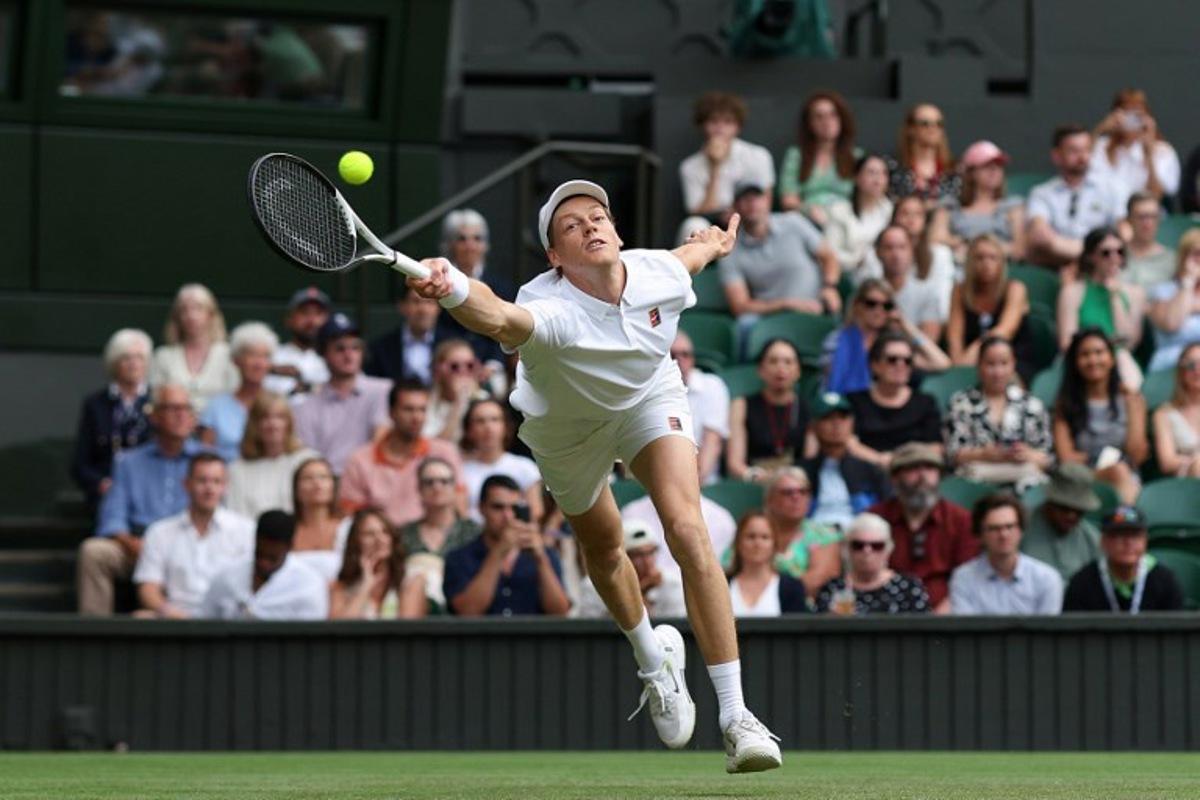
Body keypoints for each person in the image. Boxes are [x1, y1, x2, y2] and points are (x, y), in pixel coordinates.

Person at [409, 178, 782, 769]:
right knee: (605, 549)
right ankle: (654, 660)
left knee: (688, 530)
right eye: (571, 225)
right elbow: (500, 318)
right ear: (556, 257)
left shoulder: (659, 273)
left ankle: (737, 718)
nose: (590, 226)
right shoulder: (552, 308)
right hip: (567, 428)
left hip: (646, 400)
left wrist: (713, 241)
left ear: (615, 230)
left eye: (598, 216)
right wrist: (453, 285)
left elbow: (693, 256)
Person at [77, 384, 201, 615]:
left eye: (186, 409)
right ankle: (93, 635)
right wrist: (134, 544)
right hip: (138, 546)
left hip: (191, 549)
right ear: (154, 416)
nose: (180, 415)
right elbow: (113, 517)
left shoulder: (206, 460)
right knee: (93, 552)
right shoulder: (128, 462)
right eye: (172, 408)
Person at [132, 453, 254, 618]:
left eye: (216, 481)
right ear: (187, 484)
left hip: (228, 622)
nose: (209, 488)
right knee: (141, 617)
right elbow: (148, 587)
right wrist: (170, 612)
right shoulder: (159, 532)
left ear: (225, 487)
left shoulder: (246, 530)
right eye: (202, 480)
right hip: (174, 620)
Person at [868, 442, 978, 612]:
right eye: (913, 469)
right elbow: (865, 574)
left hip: (947, 616)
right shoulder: (875, 518)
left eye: (930, 469)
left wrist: (939, 618)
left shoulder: (960, 519)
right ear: (895, 477)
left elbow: (968, 577)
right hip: (886, 615)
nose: (922, 476)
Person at [442, 475, 570, 617]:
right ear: (481, 508)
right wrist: (498, 553)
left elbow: (560, 612)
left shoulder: (544, 554)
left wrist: (541, 560)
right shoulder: (459, 557)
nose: (508, 516)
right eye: (498, 507)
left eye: (514, 508)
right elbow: (467, 612)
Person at [340, 380, 464, 527]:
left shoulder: (444, 452)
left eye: (422, 410)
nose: (417, 417)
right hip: (384, 543)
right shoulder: (360, 460)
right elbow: (352, 518)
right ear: (391, 412)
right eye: (408, 409)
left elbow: (460, 507)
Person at [717, 181, 842, 326]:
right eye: (745, 199)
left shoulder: (794, 222)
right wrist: (787, 304)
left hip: (817, 307)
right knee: (745, 324)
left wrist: (830, 287)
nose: (752, 203)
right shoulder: (730, 251)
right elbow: (740, 306)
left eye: (757, 197)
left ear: (767, 200)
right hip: (771, 319)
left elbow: (829, 256)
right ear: (736, 207)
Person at [1053, 328, 1148, 505]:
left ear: (1111, 358)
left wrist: (1134, 409)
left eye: (1099, 352)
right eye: (1085, 354)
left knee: (1120, 471)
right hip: (1084, 478)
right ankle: (1130, 522)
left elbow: (1137, 455)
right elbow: (1066, 459)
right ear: (1075, 362)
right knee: (1118, 471)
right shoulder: (1065, 405)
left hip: (1127, 476)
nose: (1093, 360)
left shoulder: (1131, 400)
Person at [944, 337, 1052, 488]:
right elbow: (952, 455)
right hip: (974, 480)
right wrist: (984, 454)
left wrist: (1026, 454)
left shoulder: (1032, 405)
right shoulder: (961, 403)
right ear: (979, 365)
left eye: (1004, 363)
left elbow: (1046, 458)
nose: (998, 372)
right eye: (990, 364)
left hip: (1022, 478)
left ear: (1013, 365)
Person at [293, 312, 392, 475]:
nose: (349, 355)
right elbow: (307, 460)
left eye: (355, 348)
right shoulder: (306, 406)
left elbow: (383, 444)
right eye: (340, 349)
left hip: (373, 478)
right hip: (327, 483)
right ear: (323, 354)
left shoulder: (384, 390)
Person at [721, 468, 840, 597]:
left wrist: (767, 595)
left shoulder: (823, 534)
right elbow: (728, 571)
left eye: (803, 492)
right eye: (787, 492)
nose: (796, 497)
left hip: (802, 612)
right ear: (769, 499)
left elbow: (818, 579)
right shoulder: (753, 531)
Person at [71, 328, 154, 512]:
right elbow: (80, 463)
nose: (133, 364)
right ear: (114, 362)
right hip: (107, 497)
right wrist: (100, 483)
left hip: (149, 497)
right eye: (126, 358)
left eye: (139, 357)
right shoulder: (96, 404)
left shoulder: (157, 401)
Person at [823, 279, 949, 395]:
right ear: (857, 305)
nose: (878, 311)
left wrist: (906, 325)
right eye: (871, 304)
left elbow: (941, 363)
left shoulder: (893, 345)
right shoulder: (837, 340)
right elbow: (831, 380)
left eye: (886, 306)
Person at [1056, 227, 1146, 387]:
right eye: (1106, 253)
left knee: (1126, 369)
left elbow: (1129, 341)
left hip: (1119, 357)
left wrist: (1115, 297)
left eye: (1119, 252)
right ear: (1091, 256)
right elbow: (1066, 342)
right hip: (1084, 357)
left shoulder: (1135, 293)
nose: (1114, 258)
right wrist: (1096, 352)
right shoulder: (1072, 292)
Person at [200, 510, 330, 620]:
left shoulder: (309, 586)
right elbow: (204, 621)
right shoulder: (226, 577)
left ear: (289, 547)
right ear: (255, 540)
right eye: (260, 555)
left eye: (272, 558)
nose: (264, 563)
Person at [678, 91, 774, 239]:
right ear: (702, 125)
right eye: (714, 121)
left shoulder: (758, 155)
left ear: (738, 127)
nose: (720, 128)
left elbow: (765, 201)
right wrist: (715, 167)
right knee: (693, 225)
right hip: (712, 227)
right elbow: (698, 212)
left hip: (748, 221)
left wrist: (738, 213)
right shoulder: (690, 166)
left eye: (728, 122)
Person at [1026, 124, 1122, 270]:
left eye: (1086, 150)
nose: (1082, 157)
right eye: (1074, 151)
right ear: (1056, 156)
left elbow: (1123, 231)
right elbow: (1041, 236)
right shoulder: (1041, 193)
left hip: (1102, 271)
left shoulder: (1110, 189)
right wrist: (1095, 253)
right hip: (1057, 269)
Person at [948, 494, 1062, 615]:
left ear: (1020, 531)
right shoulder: (963, 578)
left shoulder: (1046, 579)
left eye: (1010, 526)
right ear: (980, 534)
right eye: (994, 528)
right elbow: (965, 631)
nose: (1003, 535)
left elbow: (1047, 631)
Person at [396, 457, 482, 612]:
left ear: (455, 488)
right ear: (419, 489)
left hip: (462, 608)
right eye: (429, 482)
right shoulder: (404, 533)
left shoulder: (474, 531)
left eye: (444, 481)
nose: (437, 487)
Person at [946, 235, 1035, 383]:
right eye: (980, 258)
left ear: (1002, 262)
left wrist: (970, 357)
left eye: (993, 258)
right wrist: (958, 367)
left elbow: (1005, 330)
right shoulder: (959, 291)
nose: (986, 263)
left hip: (1013, 363)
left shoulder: (1015, 289)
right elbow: (954, 338)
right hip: (972, 365)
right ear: (970, 262)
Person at [846, 332, 943, 467]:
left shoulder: (925, 402)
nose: (900, 365)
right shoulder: (855, 400)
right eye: (892, 359)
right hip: (867, 470)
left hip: (913, 470)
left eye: (907, 361)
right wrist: (880, 460)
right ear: (875, 365)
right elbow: (849, 442)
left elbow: (936, 447)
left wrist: (904, 463)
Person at [1062, 506, 1184, 613]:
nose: (1128, 542)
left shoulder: (1165, 580)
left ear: (1145, 541)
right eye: (1118, 535)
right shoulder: (1083, 582)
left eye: (1135, 535)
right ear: (1103, 541)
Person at [800, 391, 889, 531]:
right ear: (814, 426)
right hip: (811, 538)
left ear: (851, 423)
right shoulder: (802, 472)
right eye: (827, 418)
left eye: (842, 417)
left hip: (861, 540)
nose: (836, 424)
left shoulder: (871, 471)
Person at [726, 338, 809, 482]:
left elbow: (809, 461)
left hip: (794, 486)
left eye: (788, 362)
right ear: (760, 369)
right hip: (753, 482)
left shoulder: (806, 408)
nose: (781, 368)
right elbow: (735, 464)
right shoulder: (741, 405)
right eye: (773, 361)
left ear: (798, 371)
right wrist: (756, 477)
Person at [225, 392, 317, 521]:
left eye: (280, 417)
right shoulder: (236, 470)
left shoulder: (307, 462)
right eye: (265, 418)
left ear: (289, 423)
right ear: (254, 425)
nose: (273, 424)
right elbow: (236, 517)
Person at [814, 512, 930, 614]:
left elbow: (924, 632)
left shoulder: (909, 588)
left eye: (877, 546)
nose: (867, 551)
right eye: (858, 545)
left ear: (888, 549)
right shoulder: (833, 588)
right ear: (847, 549)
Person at [932, 140, 1027, 263]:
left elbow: (1019, 249)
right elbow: (935, 239)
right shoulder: (949, 205)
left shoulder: (1013, 206)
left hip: (1001, 272)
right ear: (971, 173)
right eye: (987, 166)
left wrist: (975, 251)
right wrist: (958, 243)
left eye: (999, 166)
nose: (994, 171)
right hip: (958, 270)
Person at [149, 283, 238, 413]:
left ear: (211, 314)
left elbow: (235, 398)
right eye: (184, 310)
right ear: (177, 317)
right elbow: (155, 398)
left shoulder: (229, 355)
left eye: (198, 308)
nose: (191, 315)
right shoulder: (163, 356)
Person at [776, 90, 859, 226]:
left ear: (842, 120)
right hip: (805, 223)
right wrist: (808, 210)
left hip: (847, 223)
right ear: (809, 123)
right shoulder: (796, 156)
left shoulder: (856, 157)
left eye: (833, 115)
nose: (827, 122)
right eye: (819, 116)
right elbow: (788, 200)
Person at [198, 321, 277, 461]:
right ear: (236, 360)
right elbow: (205, 457)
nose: (258, 363)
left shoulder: (279, 405)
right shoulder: (215, 407)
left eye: (265, 356)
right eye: (252, 355)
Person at [577, 520, 688, 619]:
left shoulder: (672, 585)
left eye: (651, 553)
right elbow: (596, 632)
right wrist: (641, 591)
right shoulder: (593, 586)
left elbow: (673, 630)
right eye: (638, 555)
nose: (647, 562)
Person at [1090, 88, 1180, 208]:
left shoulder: (1163, 151)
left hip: (1144, 218)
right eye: (1126, 113)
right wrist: (1100, 130)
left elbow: (1156, 195)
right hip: (1104, 214)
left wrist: (1148, 154)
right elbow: (1079, 171)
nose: (1131, 120)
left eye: (1137, 115)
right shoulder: (1100, 146)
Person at [329, 508, 426, 619]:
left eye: (385, 532)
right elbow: (339, 631)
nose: (380, 539)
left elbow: (408, 630)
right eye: (369, 534)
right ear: (355, 542)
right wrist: (366, 585)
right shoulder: (340, 587)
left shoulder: (412, 580)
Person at [459, 399, 542, 520]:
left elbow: (535, 511)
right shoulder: (460, 470)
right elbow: (462, 514)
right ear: (469, 430)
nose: (488, 427)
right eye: (480, 421)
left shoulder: (526, 467)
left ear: (505, 426)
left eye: (495, 419)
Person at [1020, 462, 1103, 582]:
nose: (1071, 516)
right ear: (1050, 501)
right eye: (1064, 507)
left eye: (1079, 510)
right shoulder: (1020, 529)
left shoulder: (1092, 539)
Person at [671, 331, 730, 484]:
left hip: (702, 483)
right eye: (672, 355)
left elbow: (712, 442)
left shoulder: (712, 385)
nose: (679, 360)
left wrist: (694, 481)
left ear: (693, 359)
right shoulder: (648, 388)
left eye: (685, 355)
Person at [724, 511, 808, 617]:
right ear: (738, 542)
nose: (757, 543)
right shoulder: (722, 584)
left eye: (765, 537)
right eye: (751, 536)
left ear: (775, 544)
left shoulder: (791, 588)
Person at [871, 224, 945, 340]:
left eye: (902, 247)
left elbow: (930, 342)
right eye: (889, 247)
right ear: (877, 252)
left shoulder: (927, 293)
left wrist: (904, 325)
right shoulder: (867, 292)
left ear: (911, 251)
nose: (896, 254)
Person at [824, 154, 894, 273]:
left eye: (883, 173)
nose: (878, 179)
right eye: (871, 173)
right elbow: (830, 252)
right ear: (857, 177)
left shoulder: (891, 210)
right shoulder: (839, 211)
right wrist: (857, 260)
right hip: (850, 273)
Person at [288, 456, 352, 583]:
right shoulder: (285, 530)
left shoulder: (349, 528)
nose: (317, 484)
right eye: (308, 478)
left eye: (323, 477)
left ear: (333, 485)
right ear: (296, 489)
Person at [1147, 229, 1200, 373]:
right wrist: (1188, 284)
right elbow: (1171, 323)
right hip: (1170, 365)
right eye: (1196, 254)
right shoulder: (1163, 291)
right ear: (1183, 258)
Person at [264, 286, 331, 399]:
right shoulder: (271, 356)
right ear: (289, 319)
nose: (312, 321)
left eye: (318, 314)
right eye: (305, 312)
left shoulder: (338, 359)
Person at [886, 103, 960, 205]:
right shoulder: (892, 167)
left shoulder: (954, 170)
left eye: (939, 124)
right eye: (925, 124)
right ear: (910, 129)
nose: (933, 129)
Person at [422, 339, 491, 443]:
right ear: (438, 370)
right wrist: (459, 404)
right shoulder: (424, 403)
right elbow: (434, 447)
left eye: (470, 366)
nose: (463, 372)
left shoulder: (485, 400)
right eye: (454, 367)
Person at [441, 208, 516, 302]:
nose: (470, 246)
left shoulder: (502, 289)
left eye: (477, 239)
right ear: (450, 245)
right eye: (462, 239)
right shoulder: (440, 285)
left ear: (485, 245)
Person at [1152, 343, 1200, 477]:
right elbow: (1167, 462)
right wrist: (1195, 460)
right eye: (1191, 365)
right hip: (1186, 480)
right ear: (1181, 372)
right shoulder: (1163, 413)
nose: (1197, 370)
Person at [1124, 192, 1176, 292]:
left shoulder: (1172, 260)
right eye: (1141, 217)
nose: (1148, 223)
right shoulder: (1113, 254)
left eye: (1153, 216)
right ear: (1129, 219)